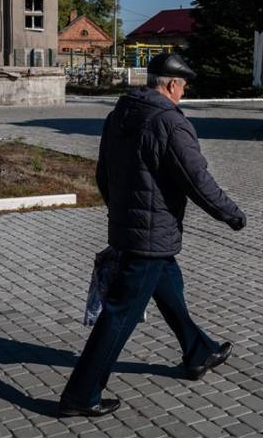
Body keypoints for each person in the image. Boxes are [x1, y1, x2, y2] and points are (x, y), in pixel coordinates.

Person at [58, 53, 247, 418]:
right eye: (183, 87)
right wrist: (231, 214)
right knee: (119, 314)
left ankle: (198, 352)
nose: (183, 93)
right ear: (172, 85)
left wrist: (119, 212)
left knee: (170, 290)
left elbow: (103, 173)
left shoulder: (119, 115)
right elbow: (197, 179)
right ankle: (80, 394)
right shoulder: (169, 122)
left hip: (132, 229)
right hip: (150, 236)